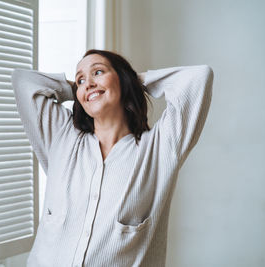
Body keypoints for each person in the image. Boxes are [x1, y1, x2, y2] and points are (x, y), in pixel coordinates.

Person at [11, 49, 214, 267]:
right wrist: (82, 89)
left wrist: (132, 82)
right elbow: (23, 81)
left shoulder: (159, 148)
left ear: (123, 81)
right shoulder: (61, 137)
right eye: (80, 80)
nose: (87, 83)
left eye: (98, 72)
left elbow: (199, 78)